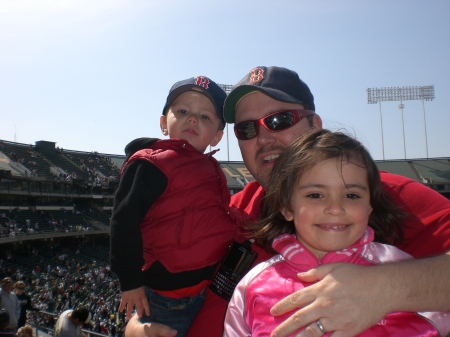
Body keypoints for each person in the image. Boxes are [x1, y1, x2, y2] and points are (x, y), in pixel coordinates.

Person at [124, 66, 450, 337]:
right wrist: (138, 325)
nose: (264, 138)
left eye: (279, 120)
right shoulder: (235, 210)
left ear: (315, 125)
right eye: (247, 129)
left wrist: (388, 287)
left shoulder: (382, 196)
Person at [223, 129, 450, 336]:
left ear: (370, 205)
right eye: (315, 195)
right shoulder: (253, 284)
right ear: (287, 207)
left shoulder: (400, 269)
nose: (335, 208)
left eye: (351, 195)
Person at [110, 76, 242, 337]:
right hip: (165, 300)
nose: (192, 119)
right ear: (163, 123)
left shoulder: (210, 168)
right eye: (182, 111)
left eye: (205, 116)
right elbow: (123, 222)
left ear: (217, 136)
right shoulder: (152, 164)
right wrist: (130, 282)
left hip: (203, 291)